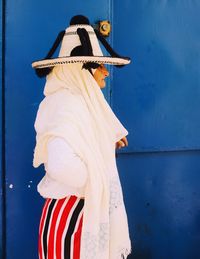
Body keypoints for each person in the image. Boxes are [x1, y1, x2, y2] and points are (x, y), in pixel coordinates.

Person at [32, 15, 132, 259]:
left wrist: (103, 144)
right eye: (99, 66)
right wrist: (97, 168)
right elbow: (61, 164)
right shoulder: (68, 105)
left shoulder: (74, 102)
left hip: (79, 215)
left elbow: (82, 143)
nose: (105, 73)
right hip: (73, 219)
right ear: (81, 70)